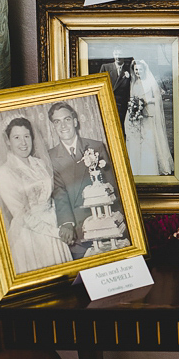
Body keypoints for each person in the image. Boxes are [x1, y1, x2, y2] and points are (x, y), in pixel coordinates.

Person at [0, 117, 73, 274]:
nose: (23, 143)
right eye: (17, 137)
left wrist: (64, 223)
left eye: (26, 136)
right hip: (30, 235)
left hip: (55, 225)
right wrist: (56, 233)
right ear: (8, 141)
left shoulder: (40, 164)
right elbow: (21, 215)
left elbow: (52, 196)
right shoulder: (3, 173)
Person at [47, 102, 122, 258]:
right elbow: (59, 193)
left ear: (75, 122)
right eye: (57, 122)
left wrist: (118, 222)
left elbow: (112, 187)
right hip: (78, 229)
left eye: (67, 119)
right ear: (53, 126)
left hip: (105, 222)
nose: (63, 126)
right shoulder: (51, 157)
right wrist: (67, 223)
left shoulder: (96, 147)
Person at [124, 59, 175, 176]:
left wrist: (145, 101)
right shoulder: (134, 83)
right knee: (138, 140)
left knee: (149, 140)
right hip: (137, 116)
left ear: (144, 70)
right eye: (136, 70)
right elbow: (132, 98)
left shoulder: (150, 82)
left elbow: (157, 98)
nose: (138, 72)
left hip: (148, 115)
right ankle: (137, 167)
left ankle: (149, 167)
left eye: (140, 69)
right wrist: (133, 107)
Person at [99, 47, 133, 126]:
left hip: (122, 106)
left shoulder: (129, 69)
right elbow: (101, 87)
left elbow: (130, 88)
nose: (117, 57)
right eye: (116, 54)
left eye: (120, 54)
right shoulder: (105, 67)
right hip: (108, 103)